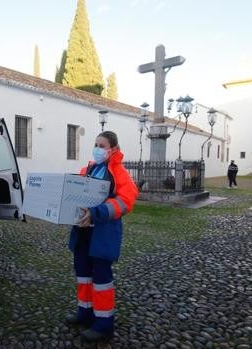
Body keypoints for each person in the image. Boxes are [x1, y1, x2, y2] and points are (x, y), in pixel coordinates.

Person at [65, 131, 138, 342]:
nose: (97, 148)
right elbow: (74, 192)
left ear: (113, 149)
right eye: (95, 144)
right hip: (83, 231)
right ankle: (85, 313)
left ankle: (104, 324)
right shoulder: (87, 169)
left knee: (101, 279)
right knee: (83, 275)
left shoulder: (119, 173)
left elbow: (126, 200)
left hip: (103, 233)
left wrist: (98, 213)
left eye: (102, 145)